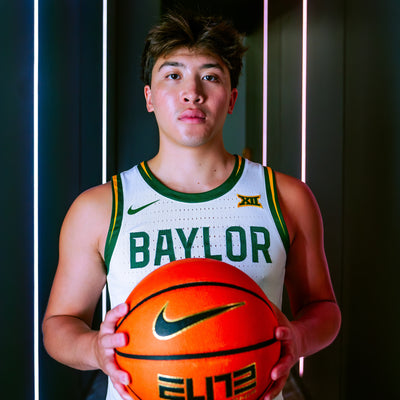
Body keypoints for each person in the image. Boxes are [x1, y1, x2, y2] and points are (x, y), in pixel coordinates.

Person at [42, 12, 341, 400]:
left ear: (232, 99)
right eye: (173, 75)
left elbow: (323, 308)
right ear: (149, 97)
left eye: (211, 77)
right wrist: (93, 349)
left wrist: (297, 338)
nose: (192, 92)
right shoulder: (100, 208)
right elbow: (59, 324)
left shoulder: (285, 197)